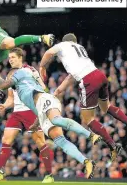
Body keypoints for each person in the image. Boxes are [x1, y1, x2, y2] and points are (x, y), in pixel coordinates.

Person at [0, 66, 102, 179]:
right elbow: (36, 108)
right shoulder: (19, 92)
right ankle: (86, 162)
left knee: (56, 120)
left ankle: (91, 135)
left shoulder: (22, 72)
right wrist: (36, 123)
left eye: (10, 76)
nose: (9, 79)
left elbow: (3, 85)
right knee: (60, 141)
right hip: (41, 113)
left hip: (45, 100)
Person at [39, 33, 124, 161]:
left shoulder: (63, 45)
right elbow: (71, 76)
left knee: (88, 119)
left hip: (88, 80)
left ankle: (112, 145)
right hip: (99, 75)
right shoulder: (80, 49)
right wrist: (59, 90)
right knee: (106, 107)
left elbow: (48, 53)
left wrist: (42, 66)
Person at [0, 48, 54, 183]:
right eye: (9, 58)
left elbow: (43, 87)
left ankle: (49, 175)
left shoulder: (30, 70)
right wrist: (5, 105)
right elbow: (10, 96)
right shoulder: (11, 74)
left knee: (40, 142)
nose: (10, 60)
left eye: (13, 57)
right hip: (17, 112)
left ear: (21, 57)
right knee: (6, 140)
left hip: (30, 110)